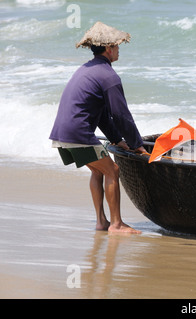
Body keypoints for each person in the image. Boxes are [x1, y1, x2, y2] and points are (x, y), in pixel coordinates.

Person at [49, 22, 145, 234]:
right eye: (118, 46)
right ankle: (117, 224)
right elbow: (121, 115)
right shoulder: (109, 76)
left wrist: (117, 139)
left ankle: (102, 222)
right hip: (78, 132)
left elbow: (101, 114)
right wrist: (137, 144)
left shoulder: (87, 69)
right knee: (112, 170)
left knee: (98, 170)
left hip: (62, 132)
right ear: (109, 48)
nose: (119, 50)